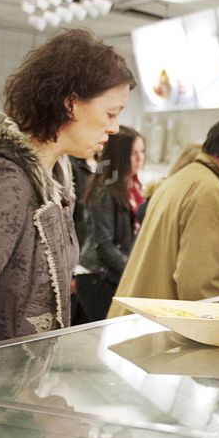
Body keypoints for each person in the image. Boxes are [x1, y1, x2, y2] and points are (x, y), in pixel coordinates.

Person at [0, 29, 132, 356]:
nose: (114, 128)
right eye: (110, 113)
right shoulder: (5, 180)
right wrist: (10, 396)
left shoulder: (53, 180)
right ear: (71, 104)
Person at [109, 115, 219, 316]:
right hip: (156, 329)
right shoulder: (210, 193)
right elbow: (202, 287)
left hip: (136, 320)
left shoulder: (185, 178)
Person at [73, 126, 145, 324]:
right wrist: (133, 271)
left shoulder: (134, 188)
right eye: (133, 153)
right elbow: (103, 244)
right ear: (120, 155)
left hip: (113, 275)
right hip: (97, 277)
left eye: (142, 152)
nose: (140, 159)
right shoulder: (104, 190)